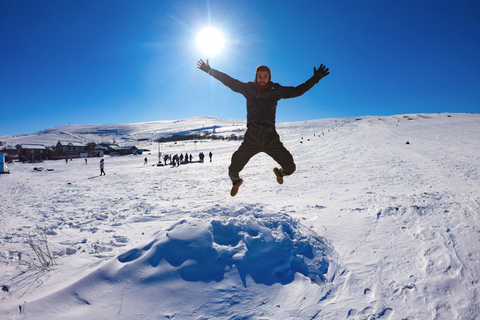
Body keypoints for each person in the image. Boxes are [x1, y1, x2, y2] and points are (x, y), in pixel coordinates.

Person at [197, 59, 329, 196]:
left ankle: (279, 173)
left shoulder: (276, 90)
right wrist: (209, 70)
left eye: (265, 76)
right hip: (252, 137)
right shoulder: (247, 88)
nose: (262, 79)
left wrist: (315, 78)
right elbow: (229, 81)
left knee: (291, 168)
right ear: (256, 76)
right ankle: (236, 182)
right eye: (260, 76)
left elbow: (297, 91)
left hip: (270, 137)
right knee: (232, 170)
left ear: (269, 77)